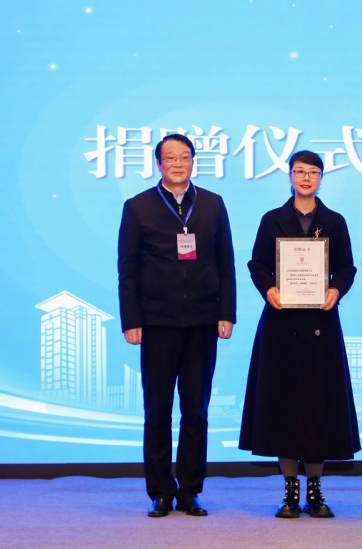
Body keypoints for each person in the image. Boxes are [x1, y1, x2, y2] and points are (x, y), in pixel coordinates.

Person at [117, 133, 236, 518]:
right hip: (157, 323)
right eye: (170, 158)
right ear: (159, 164)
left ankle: (190, 490)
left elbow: (226, 262)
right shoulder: (138, 207)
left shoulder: (213, 204)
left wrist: (226, 312)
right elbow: (128, 269)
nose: (178, 163)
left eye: (184, 157)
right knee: (158, 410)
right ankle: (160, 491)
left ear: (193, 161)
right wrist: (132, 319)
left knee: (196, 411)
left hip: (202, 320)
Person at [239, 150, 361, 519]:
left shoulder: (334, 222)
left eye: (313, 172)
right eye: (299, 171)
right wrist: (269, 289)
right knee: (283, 405)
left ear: (321, 178)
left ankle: (315, 488)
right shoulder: (272, 219)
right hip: (281, 324)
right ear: (290, 176)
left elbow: (346, 268)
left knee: (319, 405)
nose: (306, 178)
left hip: (321, 324)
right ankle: (290, 489)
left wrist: (336, 290)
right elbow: (257, 264)